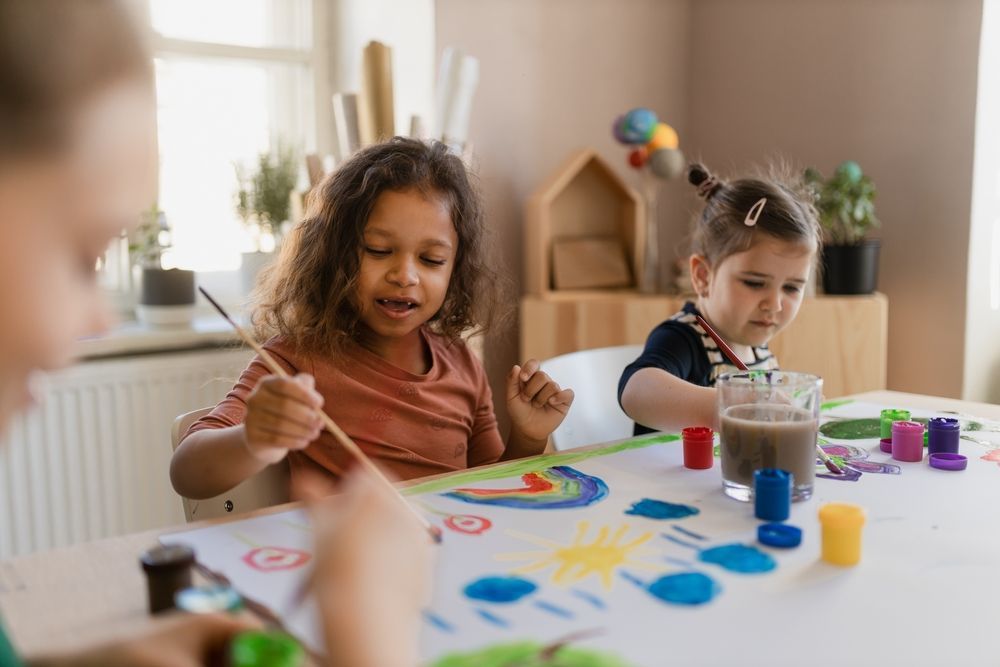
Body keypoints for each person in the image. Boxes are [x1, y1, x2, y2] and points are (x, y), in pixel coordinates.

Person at [0, 1, 428, 665]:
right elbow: (194, 466)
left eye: (431, 257)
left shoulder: (452, 358)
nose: (97, 321)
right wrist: (362, 636)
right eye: (82, 253)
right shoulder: (296, 359)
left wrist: (117, 656)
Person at [170, 137, 575, 500]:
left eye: (431, 259)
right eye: (379, 251)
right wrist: (252, 439)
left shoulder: (463, 365)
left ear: (456, 267)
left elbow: (488, 487)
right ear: (335, 254)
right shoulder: (295, 360)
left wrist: (527, 437)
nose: (405, 275)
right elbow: (187, 473)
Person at [618, 162, 822, 434]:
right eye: (754, 282)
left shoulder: (758, 350)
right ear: (703, 276)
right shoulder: (685, 336)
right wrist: (732, 403)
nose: (774, 304)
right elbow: (635, 392)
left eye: (792, 287)